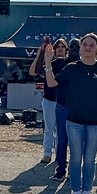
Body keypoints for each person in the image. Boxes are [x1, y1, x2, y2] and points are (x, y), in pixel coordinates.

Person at [44, 32, 97, 194]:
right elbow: (52, 84)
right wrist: (48, 62)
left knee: (90, 159)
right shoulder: (71, 68)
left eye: (91, 45)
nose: (87, 48)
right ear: (80, 47)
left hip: (96, 122)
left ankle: (86, 191)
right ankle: (75, 190)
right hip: (73, 120)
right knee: (75, 158)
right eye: (85, 45)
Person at [29, 37, 67, 168]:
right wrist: (41, 52)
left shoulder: (69, 64)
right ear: (54, 50)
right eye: (58, 47)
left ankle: (60, 154)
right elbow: (33, 71)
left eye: (63, 47)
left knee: (62, 130)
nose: (60, 49)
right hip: (49, 100)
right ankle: (47, 153)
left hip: (64, 101)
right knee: (49, 128)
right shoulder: (49, 62)